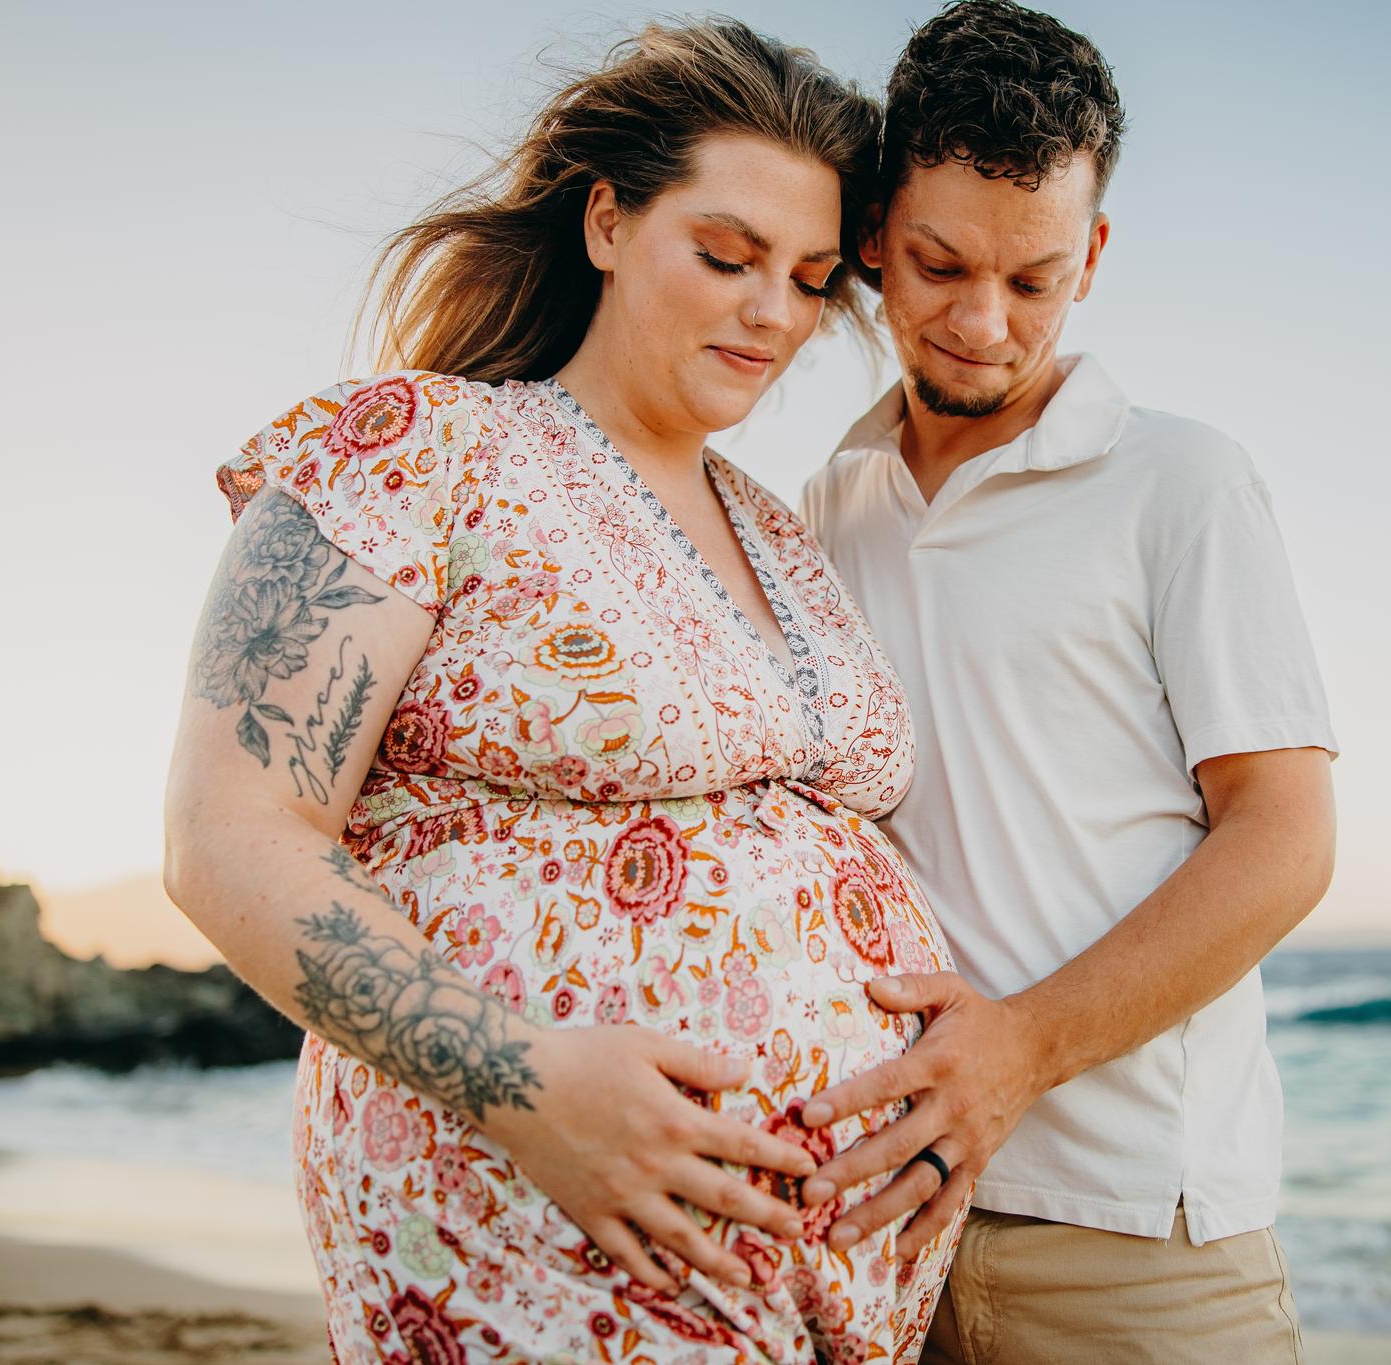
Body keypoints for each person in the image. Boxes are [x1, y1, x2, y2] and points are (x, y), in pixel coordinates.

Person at [162, 20, 966, 1364]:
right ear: (605, 220)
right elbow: (224, 838)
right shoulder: (420, 447)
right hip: (525, 1220)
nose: (773, 310)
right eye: (725, 254)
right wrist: (532, 1088)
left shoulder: (784, 532)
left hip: (832, 1291)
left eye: (813, 278)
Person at [795, 4, 1338, 1362]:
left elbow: (1286, 838)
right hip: (889, 1217)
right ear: (873, 234)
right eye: (939, 265)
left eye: (1034, 280)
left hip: (1140, 1237)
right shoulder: (824, 505)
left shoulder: (1185, 484)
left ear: (1092, 255)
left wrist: (1019, 1051)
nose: (985, 321)